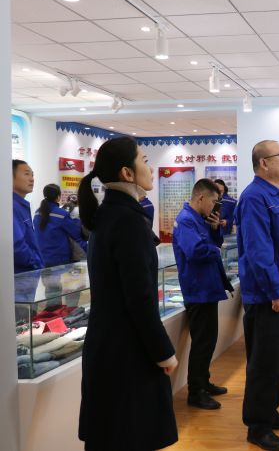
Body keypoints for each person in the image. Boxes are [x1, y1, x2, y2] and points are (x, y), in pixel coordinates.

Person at [77, 137, 179, 451]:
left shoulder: (111, 215)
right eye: (144, 160)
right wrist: (163, 351)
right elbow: (140, 298)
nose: (151, 167)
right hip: (127, 353)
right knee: (129, 435)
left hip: (110, 348)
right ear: (127, 172)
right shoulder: (127, 221)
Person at [235, 140, 279, 451]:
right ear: (264, 163)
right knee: (264, 364)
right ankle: (258, 426)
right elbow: (258, 251)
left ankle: (269, 412)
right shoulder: (254, 197)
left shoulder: (278, 195)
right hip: (270, 298)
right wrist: (276, 291)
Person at [173, 178, 233, 410]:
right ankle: (195, 392)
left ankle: (204, 382)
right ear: (201, 198)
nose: (214, 206)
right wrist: (216, 249)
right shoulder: (186, 220)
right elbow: (196, 251)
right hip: (198, 290)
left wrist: (215, 229)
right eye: (213, 201)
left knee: (208, 341)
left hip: (208, 287)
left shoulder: (199, 219)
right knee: (202, 343)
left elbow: (212, 241)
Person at [33, 184, 87, 267]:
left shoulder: (37, 212)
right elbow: (77, 235)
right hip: (59, 259)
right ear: (58, 197)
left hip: (41, 257)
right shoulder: (62, 214)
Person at [12, 159, 43, 274]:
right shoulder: (11, 206)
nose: (31, 179)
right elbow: (17, 246)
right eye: (26, 174)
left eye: (32, 175)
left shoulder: (20, 205)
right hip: (21, 276)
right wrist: (36, 263)